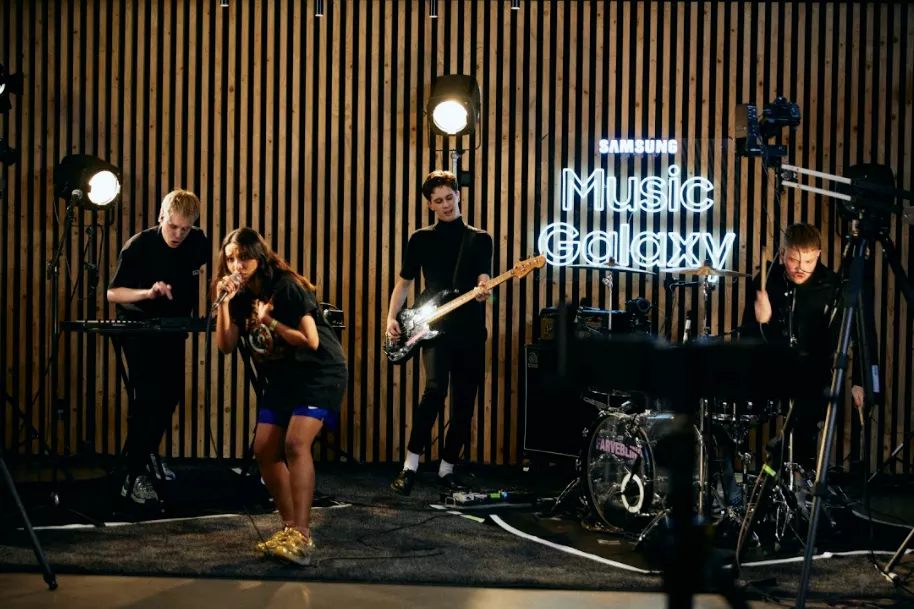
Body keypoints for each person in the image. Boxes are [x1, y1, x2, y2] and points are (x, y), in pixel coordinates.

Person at [213, 227, 347, 566]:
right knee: (264, 450)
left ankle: (302, 535)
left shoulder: (286, 287)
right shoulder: (239, 295)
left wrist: (269, 322)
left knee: (296, 444)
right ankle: (289, 528)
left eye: (244, 258)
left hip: (319, 372)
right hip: (283, 378)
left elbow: (311, 340)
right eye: (231, 259)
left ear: (259, 258)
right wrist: (224, 303)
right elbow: (226, 345)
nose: (237, 265)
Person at [387, 170, 493, 495]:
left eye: (450, 198)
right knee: (433, 392)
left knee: (464, 402)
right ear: (430, 205)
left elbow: (483, 277)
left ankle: (447, 469)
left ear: (458, 195)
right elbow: (404, 283)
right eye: (438, 201)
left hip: (470, 329)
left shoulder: (480, 239)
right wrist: (390, 318)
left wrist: (484, 289)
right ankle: (410, 466)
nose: (446, 205)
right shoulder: (421, 239)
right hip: (433, 327)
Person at [740, 223, 865, 481]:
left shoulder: (832, 286)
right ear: (782, 254)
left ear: (818, 254)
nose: (801, 268)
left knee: (806, 418)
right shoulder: (765, 282)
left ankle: (791, 475)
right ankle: (739, 479)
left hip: (812, 374)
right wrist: (763, 323)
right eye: (793, 260)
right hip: (771, 370)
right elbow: (747, 341)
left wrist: (860, 382)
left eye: (808, 261)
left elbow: (851, 338)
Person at [107, 189, 208, 504]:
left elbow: (210, 271)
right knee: (147, 399)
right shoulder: (138, 245)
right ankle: (134, 473)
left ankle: (146, 454)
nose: (178, 234)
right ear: (161, 217)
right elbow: (113, 293)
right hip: (138, 328)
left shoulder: (197, 242)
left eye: (185, 229)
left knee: (171, 395)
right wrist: (147, 293)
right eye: (173, 226)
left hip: (173, 328)